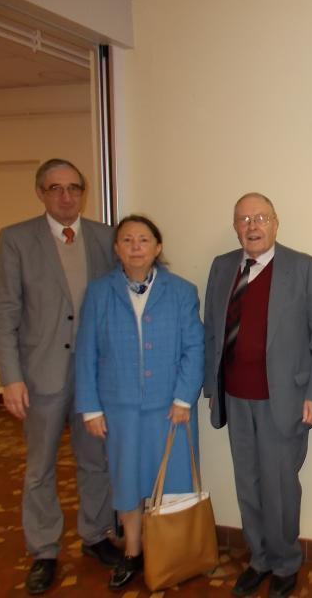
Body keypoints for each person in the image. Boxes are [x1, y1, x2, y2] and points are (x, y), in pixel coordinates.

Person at [0, 158, 121, 594]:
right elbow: (4, 312)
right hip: (40, 375)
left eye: (73, 188)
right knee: (40, 468)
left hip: (95, 377)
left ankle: (96, 534)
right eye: (55, 188)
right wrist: (10, 377)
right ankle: (44, 550)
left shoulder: (105, 237)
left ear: (83, 192)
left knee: (95, 461)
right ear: (41, 193)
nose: (66, 196)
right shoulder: (15, 239)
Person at [203, 193, 312, 598]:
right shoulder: (222, 266)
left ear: (275, 222)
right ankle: (259, 559)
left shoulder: (303, 267)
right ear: (235, 227)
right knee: (248, 484)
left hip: (283, 400)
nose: (252, 226)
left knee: (280, 489)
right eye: (243, 220)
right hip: (235, 397)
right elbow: (211, 331)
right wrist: (211, 388)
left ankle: (286, 563)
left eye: (260, 218)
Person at [75, 215, 205, 590]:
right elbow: (86, 352)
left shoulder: (182, 291)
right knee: (126, 481)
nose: (135, 247)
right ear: (116, 248)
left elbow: (195, 348)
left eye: (143, 240)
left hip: (171, 409)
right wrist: (91, 408)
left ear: (157, 247)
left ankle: (173, 553)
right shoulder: (99, 292)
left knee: (174, 482)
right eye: (127, 240)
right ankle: (133, 552)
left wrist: (184, 398)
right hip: (120, 410)